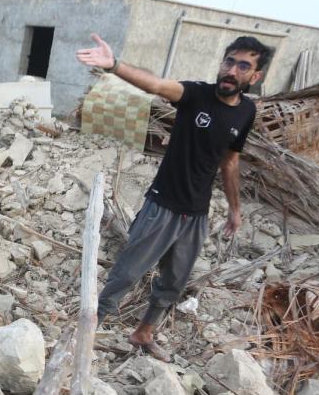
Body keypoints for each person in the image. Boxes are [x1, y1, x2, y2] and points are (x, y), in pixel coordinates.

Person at [76, 33, 271, 361]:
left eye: (242, 66)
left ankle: (144, 333)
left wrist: (235, 210)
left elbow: (230, 160)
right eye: (228, 61)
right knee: (126, 274)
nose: (231, 70)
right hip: (162, 206)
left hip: (196, 215)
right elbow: (155, 85)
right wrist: (115, 65)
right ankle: (87, 332)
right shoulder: (195, 95)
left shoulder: (246, 112)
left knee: (174, 283)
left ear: (255, 76)